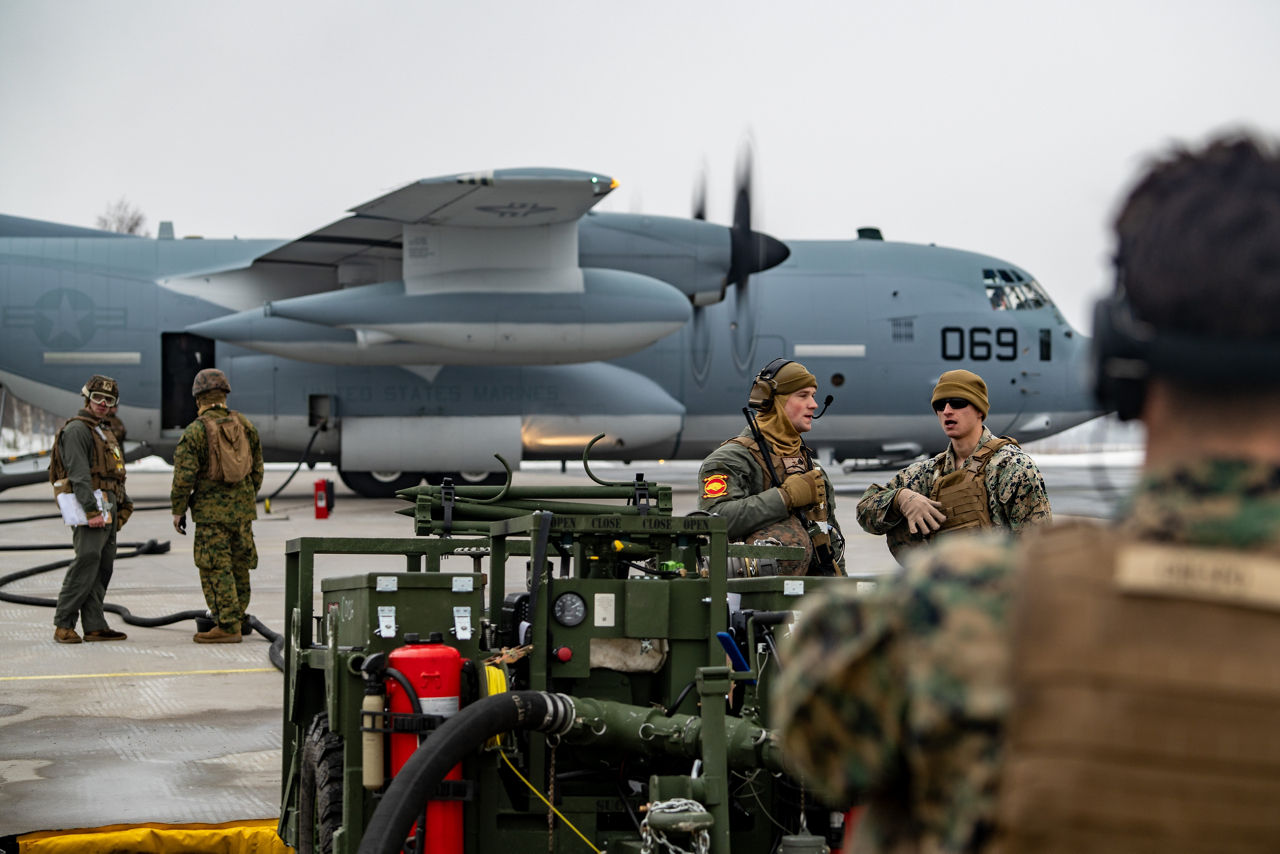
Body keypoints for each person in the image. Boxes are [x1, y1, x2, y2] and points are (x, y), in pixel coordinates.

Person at [773, 133, 1280, 852]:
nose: (946, 415)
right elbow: (871, 503)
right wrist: (907, 503)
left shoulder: (965, 608)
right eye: (940, 406)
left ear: (1116, 361)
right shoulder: (932, 483)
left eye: (956, 405)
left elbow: (814, 727)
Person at [856, 369, 1051, 563]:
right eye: (940, 405)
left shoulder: (1012, 467)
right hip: (943, 586)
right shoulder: (928, 473)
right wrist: (902, 498)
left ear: (979, 410)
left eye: (958, 403)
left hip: (998, 586)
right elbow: (865, 511)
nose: (947, 411)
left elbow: (1039, 550)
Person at [698, 358, 844, 576]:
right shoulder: (731, 460)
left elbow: (829, 539)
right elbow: (714, 518)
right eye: (803, 396)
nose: (813, 404)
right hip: (750, 596)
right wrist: (784, 497)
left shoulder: (811, 467)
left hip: (812, 594)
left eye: (813, 396)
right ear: (772, 401)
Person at [170, 368, 264, 644]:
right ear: (224, 395)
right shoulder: (245, 425)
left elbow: (183, 477)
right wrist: (245, 498)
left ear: (198, 398)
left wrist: (178, 510)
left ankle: (227, 624)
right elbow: (257, 469)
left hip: (211, 515)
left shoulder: (196, 431)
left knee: (214, 566)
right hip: (243, 512)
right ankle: (238, 616)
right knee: (239, 564)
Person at [48, 374, 133, 643]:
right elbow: (79, 475)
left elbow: (113, 472)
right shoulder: (77, 430)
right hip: (91, 504)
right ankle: (64, 624)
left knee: (103, 565)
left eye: (109, 400)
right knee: (86, 561)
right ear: (87, 398)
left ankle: (95, 624)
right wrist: (92, 512)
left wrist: (123, 504)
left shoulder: (103, 430)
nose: (102, 404)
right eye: (97, 398)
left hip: (108, 503)